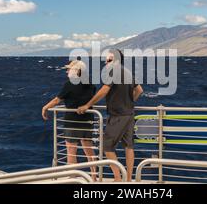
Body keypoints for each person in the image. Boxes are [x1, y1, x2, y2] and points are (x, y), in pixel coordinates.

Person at [77, 49, 143, 182]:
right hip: (129, 113)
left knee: (107, 146)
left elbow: (104, 90)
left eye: (109, 60)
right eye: (105, 60)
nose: (106, 63)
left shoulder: (114, 72)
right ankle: (129, 179)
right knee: (128, 146)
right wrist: (130, 102)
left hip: (118, 115)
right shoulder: (127, 72)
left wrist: (87, 105)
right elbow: (139, 90)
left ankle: (118, 178)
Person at [42, 60, 97, 180]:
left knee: (71, 150)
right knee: (89, 150)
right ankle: (94, 176)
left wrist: (45, 107)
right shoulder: (90, 84)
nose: (67, 71)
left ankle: (72, 177)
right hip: (87, 120)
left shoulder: (70, 84)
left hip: (72, 122)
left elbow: (57, 100)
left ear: (76, 71)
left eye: (69, 69)